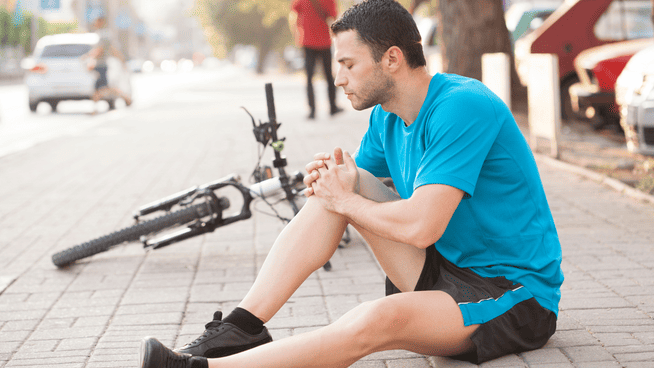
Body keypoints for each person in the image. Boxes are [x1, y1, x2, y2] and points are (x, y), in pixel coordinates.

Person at [139, 0, 564, 366]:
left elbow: (422, 226)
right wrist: (329, 183)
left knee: (375, 318)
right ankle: (241, 327)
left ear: (391, 59)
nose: (338, 78)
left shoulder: (462, 106)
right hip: (442, 269)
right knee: (342, 182)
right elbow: (348, 190)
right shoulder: (386, 116)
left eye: (347, 64)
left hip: (513, 295)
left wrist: (345, 200)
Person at [290, 0, 343, 119]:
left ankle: (312, 110)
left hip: (307, 41)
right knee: (328, 76)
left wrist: (297, 33)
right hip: (324, 40)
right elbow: (333, 16)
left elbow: (294, 13)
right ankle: (332, 107)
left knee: (309, 77)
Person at [86, 16, 132, 112]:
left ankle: (126, 98)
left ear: (101, 22)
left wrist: (89, 57)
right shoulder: (100, 34)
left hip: (102, 65)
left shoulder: (104, 35)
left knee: (104, 88)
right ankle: (95, 109)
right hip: (100, 65)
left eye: (96, 22)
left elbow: (104, 49)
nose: (94, 24)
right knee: (101, 88)